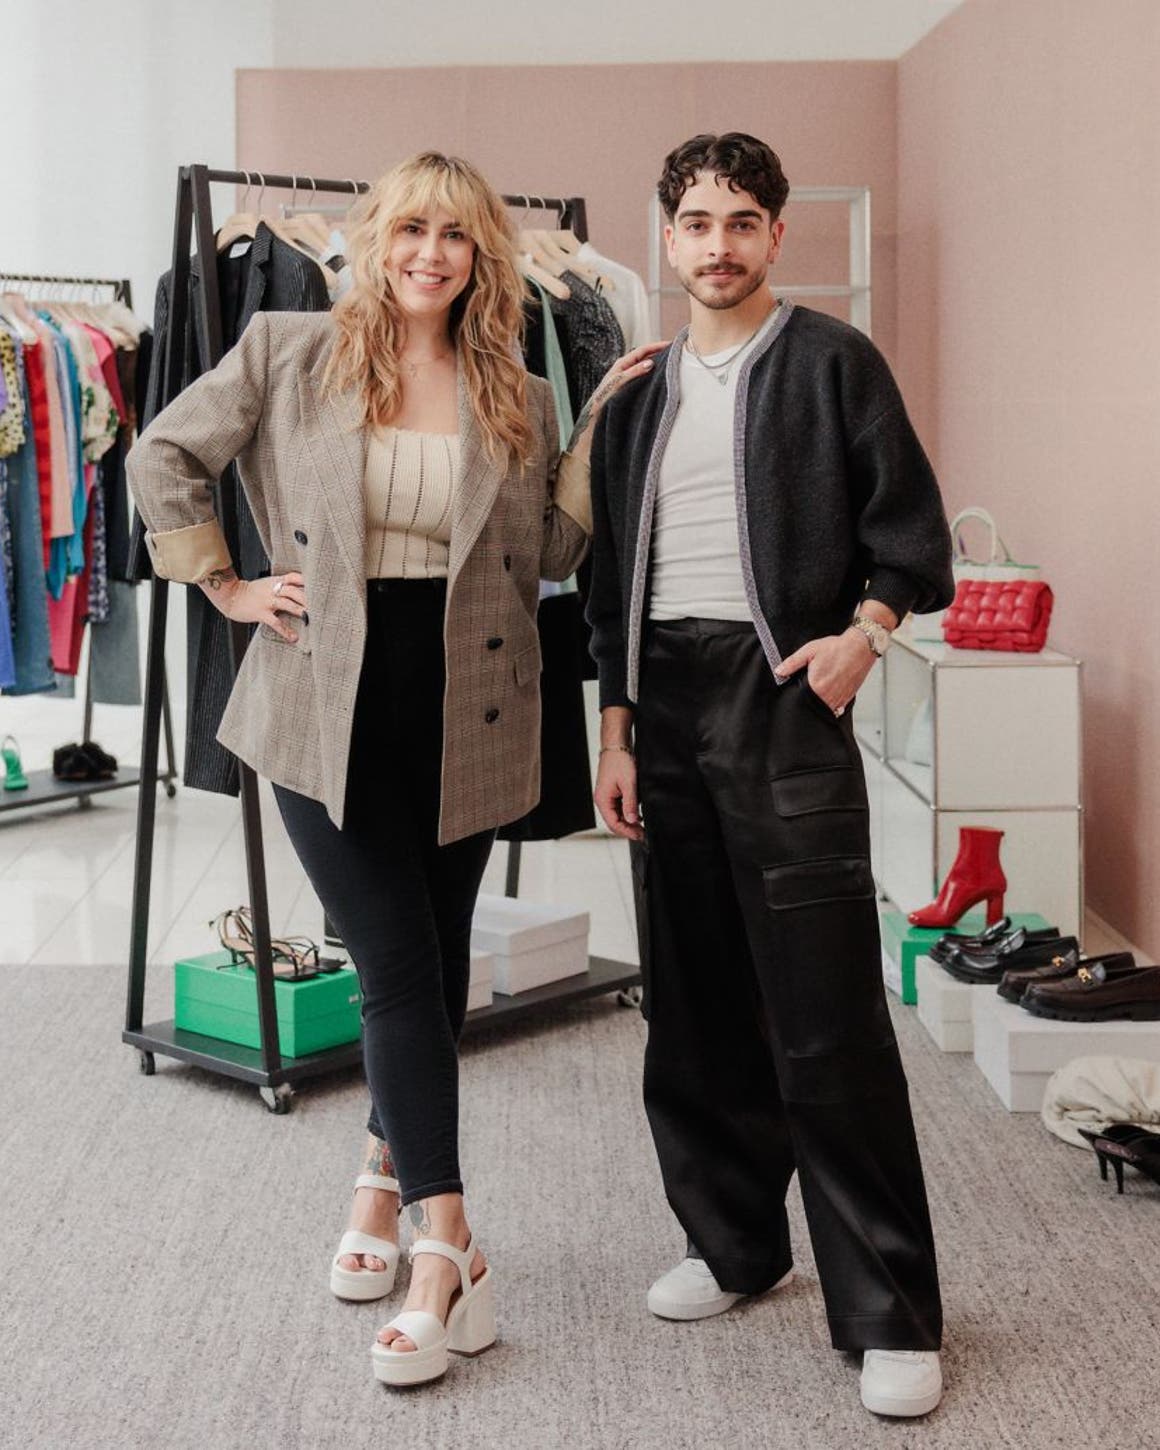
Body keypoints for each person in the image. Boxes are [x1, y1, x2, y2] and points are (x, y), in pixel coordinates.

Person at [128, 150, 659, 1389]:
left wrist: (596, 429)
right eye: (410, 229)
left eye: (455, 237)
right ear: (373, 240)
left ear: (484, 258)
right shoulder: (285, 347)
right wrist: (226, 583)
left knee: (430, 953)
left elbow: (554, 547)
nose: (430, 253)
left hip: (471, 699)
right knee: (396, 966)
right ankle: (448, 1246)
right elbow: (162, 456)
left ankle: (377, 1181)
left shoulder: (515, 384)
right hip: (325, 698)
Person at [586, 133, 955, 1419]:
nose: (718, 244)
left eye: (742, 220)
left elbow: (911, 533)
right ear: (667, 235)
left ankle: (890, 1309)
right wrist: (616, 727)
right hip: (663, 707)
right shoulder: (632, 392)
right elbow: (599, 584)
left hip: (782, 692)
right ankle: (732, 1245)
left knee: (823, 1014)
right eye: (696, 221)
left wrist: (864, 636)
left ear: (776, 235)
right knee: (688, 1002)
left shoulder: (832, 362)